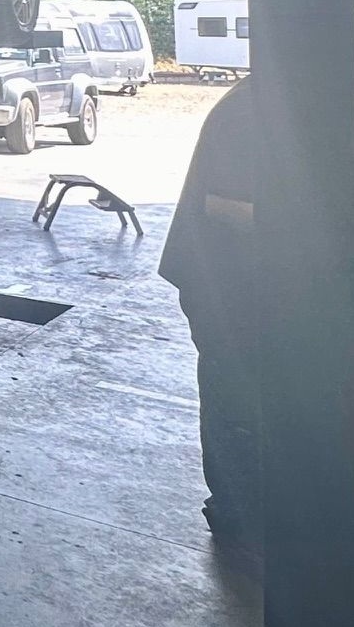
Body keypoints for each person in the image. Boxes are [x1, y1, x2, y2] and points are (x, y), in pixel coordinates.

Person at [159, 77, 262, 567]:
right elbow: (229, 207)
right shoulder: (249, 110)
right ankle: (237, 520)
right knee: (236, 400)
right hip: (225, 283)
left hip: (255, 282)